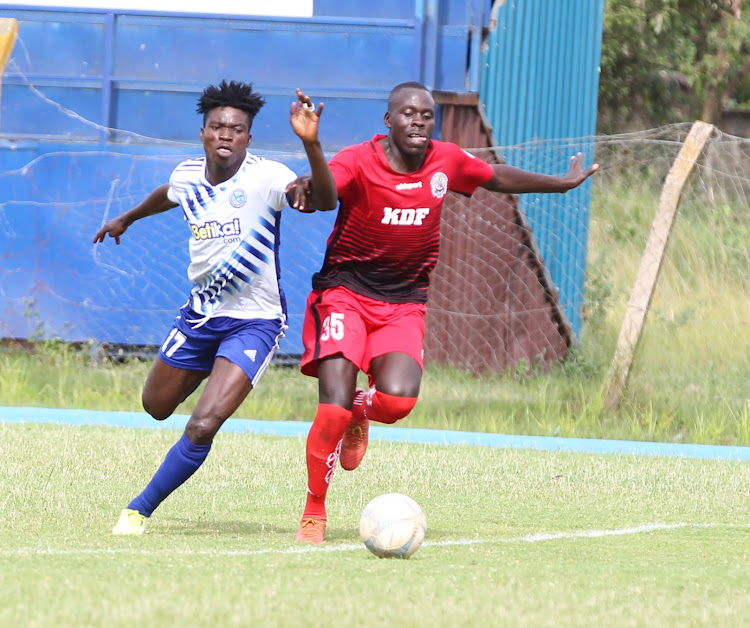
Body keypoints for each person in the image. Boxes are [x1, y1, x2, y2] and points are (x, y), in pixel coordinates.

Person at [292, 81, 598, 543]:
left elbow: (495, 176)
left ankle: (363, 408)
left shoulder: (445, 160)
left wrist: (561, 185)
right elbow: (328, 196)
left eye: (426, 115)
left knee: (396, 402)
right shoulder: (358, 160)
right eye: (408, 114)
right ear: (389, 121)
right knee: (330, 410)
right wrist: (312, 144)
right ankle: (315, 507)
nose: (418, 122)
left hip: (404, 302)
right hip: (345, 294)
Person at [93, 80, 337, 535]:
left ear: (248, 138)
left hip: (255, 323)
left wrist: (312, 145)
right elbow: (168, 193)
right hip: (201, 315)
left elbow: (324, 201)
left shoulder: (266, 178)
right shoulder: (188, 177)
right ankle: (211, 366)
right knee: (155, 405)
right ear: (203, 132)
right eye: (217, 126)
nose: (226, 134)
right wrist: (126, 217)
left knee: (203, 424)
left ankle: (138, 509)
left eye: (237, 129)